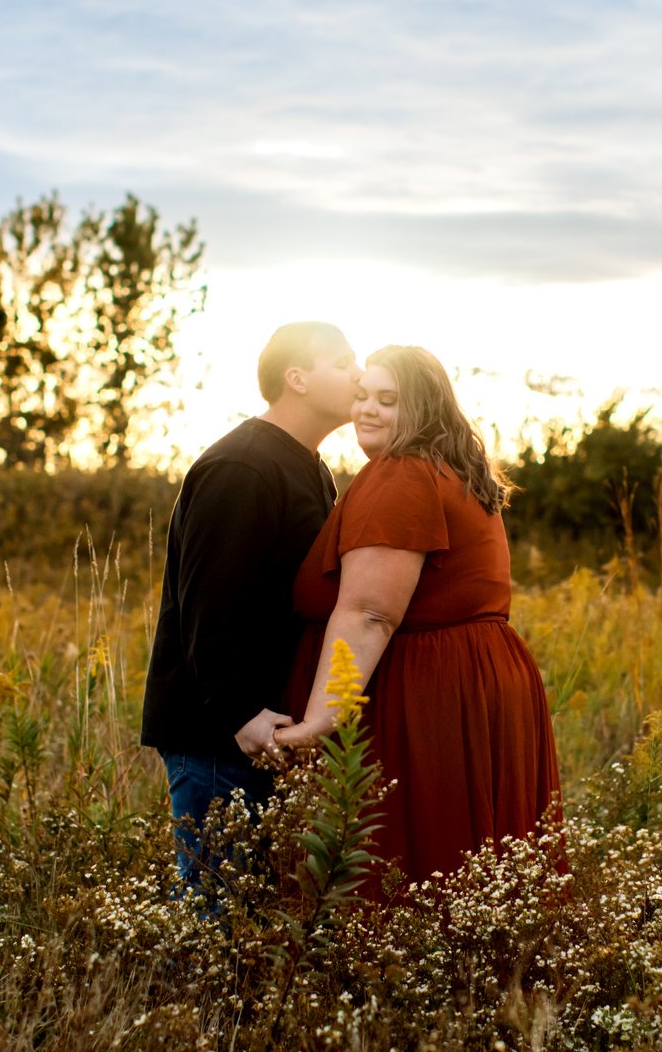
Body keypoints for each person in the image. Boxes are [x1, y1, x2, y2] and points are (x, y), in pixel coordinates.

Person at [277, 344, 561, 888]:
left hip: (426, 694)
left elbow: (368, 613)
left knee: (406, 866)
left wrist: (319, 721)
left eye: (388, 400)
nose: (367, 409)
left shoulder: (402, 473)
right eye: (362, 395)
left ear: (424, 409)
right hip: (474, 682)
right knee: (472, 869)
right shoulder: (454, 469)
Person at [141, 322, 359, 898]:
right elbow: (206, 607)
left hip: (267, 729)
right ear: (298, 378)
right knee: (217, 908)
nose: (358, 375)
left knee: (256, 911)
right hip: (220, 735)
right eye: (342, 363)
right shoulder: (243, 468)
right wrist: (241, 714)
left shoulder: (309, 465)